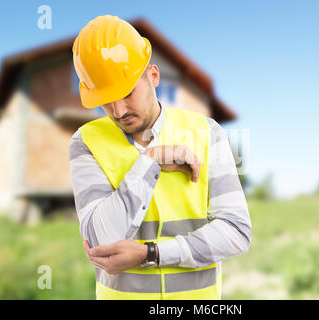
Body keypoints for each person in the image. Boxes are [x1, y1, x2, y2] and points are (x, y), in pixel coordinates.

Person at [69, 14, 251, 300]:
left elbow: (237, 232)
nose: (118, 111)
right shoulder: (86, 142)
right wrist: (149, 161)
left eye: (127, 93)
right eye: (106, 99)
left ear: (153, 76)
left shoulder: (207, 132)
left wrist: (151, 253)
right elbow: (100, 239)